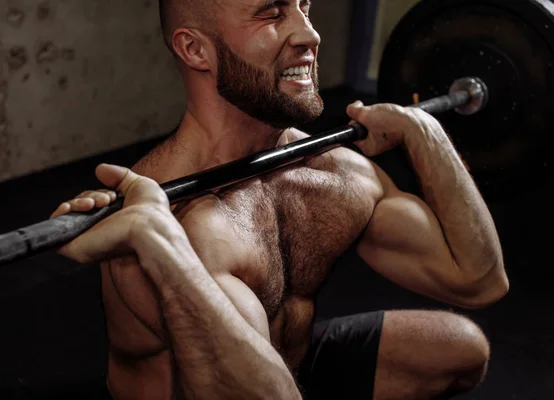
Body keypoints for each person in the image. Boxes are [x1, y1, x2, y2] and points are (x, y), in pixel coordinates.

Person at [52, 0, 509, 398]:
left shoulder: (333, 172)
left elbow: (477, 279)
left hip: (284, 373)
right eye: (271, 12)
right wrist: (164, 251)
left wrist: (426, 135)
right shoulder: (186, 224)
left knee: (459, 348)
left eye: (304, 6)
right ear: (195, 50)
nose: (310, 33)